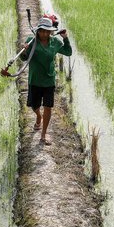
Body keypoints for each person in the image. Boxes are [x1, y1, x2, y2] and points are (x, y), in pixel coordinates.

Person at [21, 16, 72, 145]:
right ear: (38, 30)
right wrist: (24, 50)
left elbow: (68, 52)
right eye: (41, 30)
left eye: (46, 31)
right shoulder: (31, 41)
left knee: (48, 106)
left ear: (50, 31)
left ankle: (43, 135)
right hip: (35, 79)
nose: (44, 33)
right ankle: (38, 116)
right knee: (34, 106)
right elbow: (23, 58)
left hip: (49, 80)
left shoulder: (55, 42)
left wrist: (65, 38)